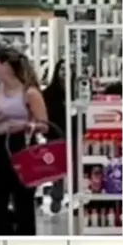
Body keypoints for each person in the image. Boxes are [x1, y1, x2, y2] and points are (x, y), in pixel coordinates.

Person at [0, 47, 49, 236]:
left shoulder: (30, 93)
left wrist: (26, 126)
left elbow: (44, 124)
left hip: (23, 146)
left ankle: (24, 242)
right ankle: (6, 236)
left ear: (6, 66)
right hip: (0, 146)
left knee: (23, 202)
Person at [41, 60, 67, 213]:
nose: (64, 72)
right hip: (56, 135)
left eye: (67, 69)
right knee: (58, 169)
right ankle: (57, 197)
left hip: (74, 134)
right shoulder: (49, 94)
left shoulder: (77, 92)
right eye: (62, 69)